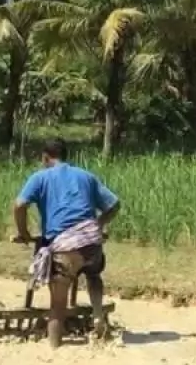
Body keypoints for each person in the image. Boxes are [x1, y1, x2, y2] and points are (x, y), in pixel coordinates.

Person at [12, 137, 120, 348]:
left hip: (64, 246)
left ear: (45, 157)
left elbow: (19, 205)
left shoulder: (40, 177)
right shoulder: (86, 176)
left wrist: (23, 232)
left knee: (57, 305)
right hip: (91, 242)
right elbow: (114, 204)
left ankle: (54, 347)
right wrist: (98, 224)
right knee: (93, 272)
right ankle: (97, 313)